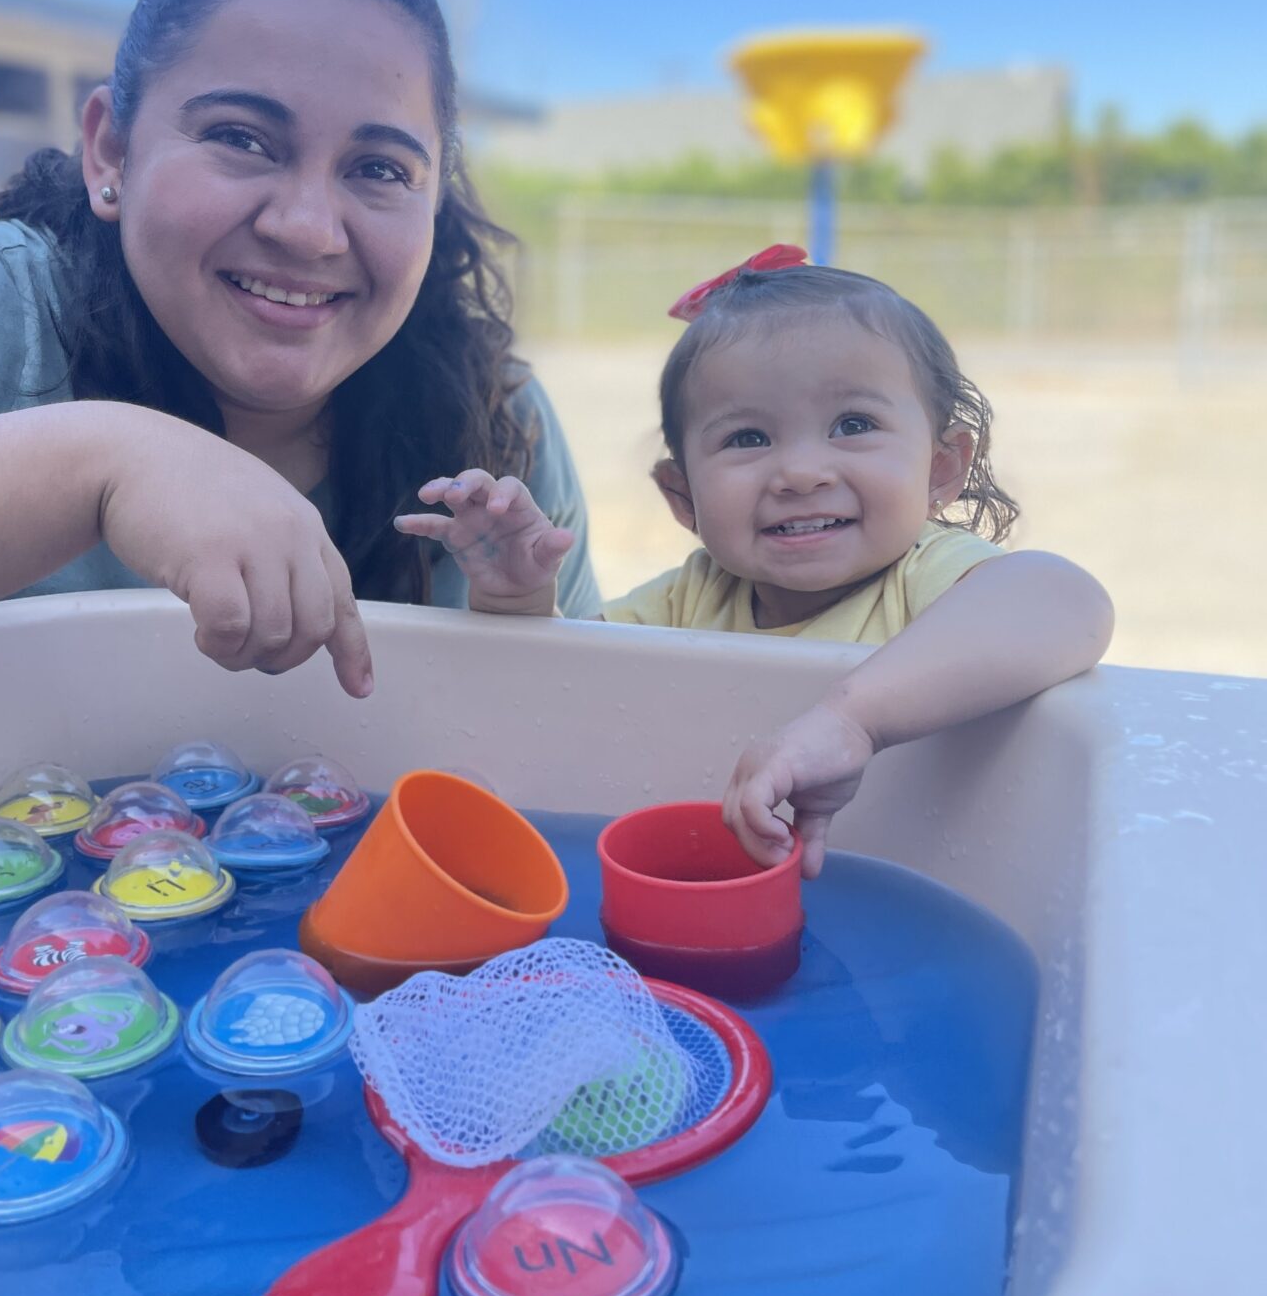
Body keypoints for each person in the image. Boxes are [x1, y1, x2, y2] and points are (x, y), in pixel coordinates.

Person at [0, 0, 599, 684]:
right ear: (111, 151)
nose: (308, 230)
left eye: (380, 169)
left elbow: (590, 727)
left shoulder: (500, 419)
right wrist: (106, 462)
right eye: (241, 139)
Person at [395, 245, 1114, 872]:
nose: (801, 472)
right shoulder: (688, 600)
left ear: (940, 468)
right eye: (747, 439)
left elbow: (1067, 600)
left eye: (853, 425)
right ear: (682, 495)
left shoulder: (925, 576)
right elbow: (567, 698)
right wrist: (519, 602)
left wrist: (852, 720)